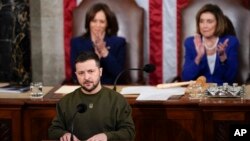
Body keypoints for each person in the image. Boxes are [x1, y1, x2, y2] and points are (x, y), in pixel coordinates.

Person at [48, 51, 135, 141]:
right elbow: (53, 130)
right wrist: (64, 134)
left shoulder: (117, 100)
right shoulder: (65, 101)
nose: (86, 77)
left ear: (100, 72)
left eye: (91, 71)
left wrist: (106, 137)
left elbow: (129, 132)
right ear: (76, 75)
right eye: (81, 73)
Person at [182, 3, 239, 85]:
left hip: (222, 93)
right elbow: (186, 77)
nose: (204, 26)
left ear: (218, 23)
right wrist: (199, 57)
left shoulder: (230, 42)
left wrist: (223, 59)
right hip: (199, 93)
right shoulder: (191, 42)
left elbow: (230, 78)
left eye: (209, 21)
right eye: (201, 21)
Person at [70, 3, 126, 84]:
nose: (97, 25)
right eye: (94, 21)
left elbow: (120, 75)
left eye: (102, 22)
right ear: (88, 22)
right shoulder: (76, 43)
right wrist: (95, 59)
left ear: (107, 24)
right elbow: (75, 74)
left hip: (110, 89)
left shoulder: (119, 43)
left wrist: (104, 52)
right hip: (86, 89)